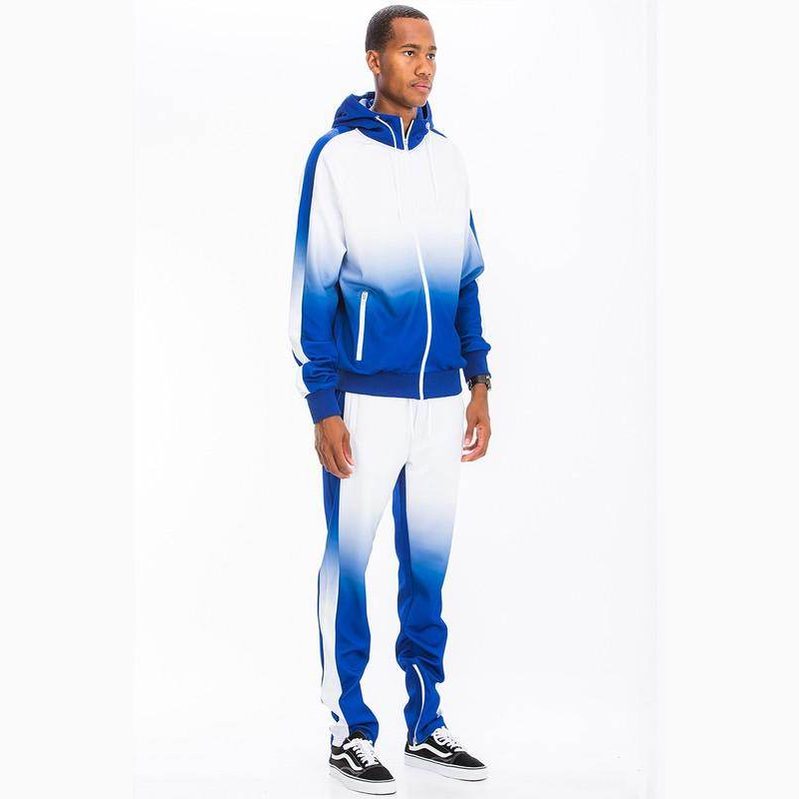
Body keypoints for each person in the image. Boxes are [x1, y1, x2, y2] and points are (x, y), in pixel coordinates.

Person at [288, 5, 493, 794]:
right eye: (409, 52)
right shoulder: (336, 158)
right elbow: (312, 286)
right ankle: (348, 727)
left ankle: (425, 722)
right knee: (348, 562)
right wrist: (324, 403)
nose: (425, 67)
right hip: (363, 401)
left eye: (432, 53)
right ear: (374, 61)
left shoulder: (448, 158)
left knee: (426, 570)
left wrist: (478, 381)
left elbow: (466, 278)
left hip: (440, 401)